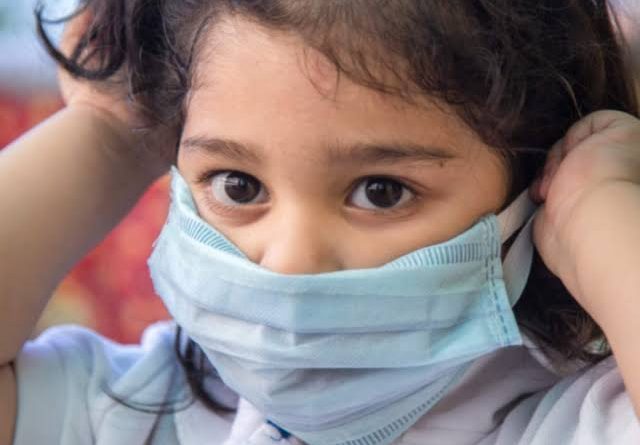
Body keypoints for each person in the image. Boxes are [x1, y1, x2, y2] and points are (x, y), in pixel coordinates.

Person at [1, 0, 640, 444]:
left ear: (535, 185)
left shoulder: (577, 424)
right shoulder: (142, 415)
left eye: (381, 193)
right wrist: (108, 135)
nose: (290, 261)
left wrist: (600, 215)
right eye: (238, 185)